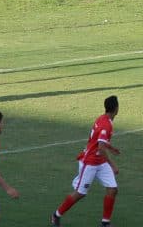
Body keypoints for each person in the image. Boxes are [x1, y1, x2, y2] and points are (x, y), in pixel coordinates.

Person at [51, 95, 121, 227]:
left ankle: (105, 223)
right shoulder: (106, 125)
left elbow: (98, 142)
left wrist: (111, 148)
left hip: (100, 160)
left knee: (112, 189)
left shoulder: (102, 118)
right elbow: (100, 148)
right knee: (80, 193)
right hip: (90, 162)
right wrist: (113, 165)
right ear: (116, 109)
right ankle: (56, 215)